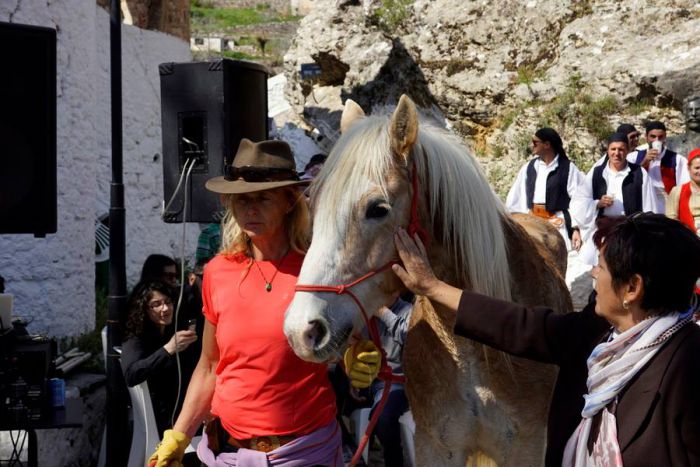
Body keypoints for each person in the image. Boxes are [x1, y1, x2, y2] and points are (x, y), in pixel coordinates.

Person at [391, 213, 700, 467]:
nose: (593, 274)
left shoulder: (686, 366)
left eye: (602, 267)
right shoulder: (599, 332)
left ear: (631, 289)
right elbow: (524, 327)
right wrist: (432, 287)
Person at [148, 139, 375, 466]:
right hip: (227, 452)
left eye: (263, 198)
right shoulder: (217, 272)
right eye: (242, 200)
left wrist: (357, 359)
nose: (250, 209)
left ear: (288, 201)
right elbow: (211, 364)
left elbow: (351, 346)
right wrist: (179, 434)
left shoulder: (318, 271)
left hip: (305, 453)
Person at [121, 280, 199, 436]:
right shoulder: (137, 337)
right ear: (144, 309)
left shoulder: (171, 330)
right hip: (164, 416)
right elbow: (131, 375)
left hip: (182, 407)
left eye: (168, 302)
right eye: (156, 304)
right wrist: (168, 349)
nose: (165, 308)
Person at [571, 132, 659, 265]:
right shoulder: (597, 173)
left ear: (628, 151)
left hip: (629, 233)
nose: (616, 153)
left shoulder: (639, 173)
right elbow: (579, 201)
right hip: (602, 231)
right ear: (607, 150)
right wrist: (597, 203)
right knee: (597, 268)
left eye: (621, 149)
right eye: (613, 149)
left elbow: (649, 206)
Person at [505, 127, 585, 251]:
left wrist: (575, 229)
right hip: (533, 224)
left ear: (547, 144)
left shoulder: (568, 168)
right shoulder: (529, 168)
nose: (532, 146)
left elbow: (579, 200)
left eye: (535, 143)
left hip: (558, 225)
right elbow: (517, 197)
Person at [627, 121, 690, 213]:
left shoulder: (677, 159)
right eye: (653, 137)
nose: (657, 140)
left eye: (660, 137)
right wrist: (644, 162)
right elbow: (627, 180)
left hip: (666, 199)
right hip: (642, 197)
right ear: (646, 137)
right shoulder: (633, 157)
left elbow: (685, 185)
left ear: (665, 137)